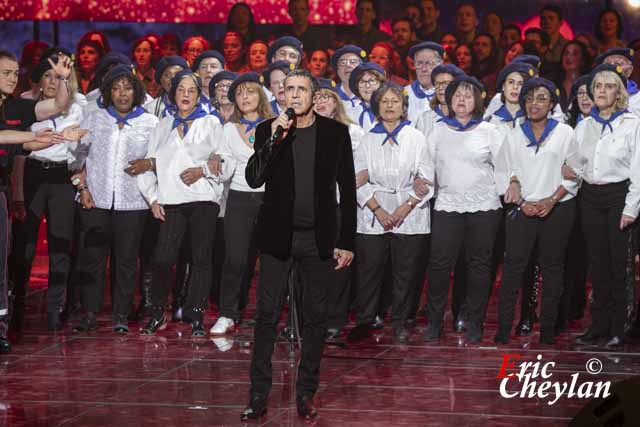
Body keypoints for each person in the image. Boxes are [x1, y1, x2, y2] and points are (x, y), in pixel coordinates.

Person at [241, 69, 356, 421]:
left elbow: (347, 191)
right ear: (280, 95)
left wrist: (346, 241)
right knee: (266, 317)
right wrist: (275, 137)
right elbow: (253, 177)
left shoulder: (336, 134)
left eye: (301, 89)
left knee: (315, 319)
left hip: (317, 239)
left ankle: (306, 392)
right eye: (288, 89)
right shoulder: (268, 129)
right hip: (278, 238)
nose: (294, 95)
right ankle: (258, 395)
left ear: (314, 95)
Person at [70, 65, 157, 333]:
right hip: (95, 199)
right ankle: (90, 313)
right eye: (116, 88)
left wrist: (149, 162)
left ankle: (121, 314)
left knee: (127, 259)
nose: (122, 93)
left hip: (133, 202)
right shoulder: (95, 118)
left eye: (127, 87)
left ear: (136, 91)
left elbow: (162, 159)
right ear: (108, 92)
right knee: (93, 257)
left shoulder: (150, 122)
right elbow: (76, 156)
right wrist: (82, 188)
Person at [137, 70, 223, 336]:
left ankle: (196, 313)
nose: (186, 95)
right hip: (171, 200)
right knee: (163, 258)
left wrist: (202, 171)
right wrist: (152, 198)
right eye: (181, 89)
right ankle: (157, 312)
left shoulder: (211, 123)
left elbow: (221, 163)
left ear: (199, 96)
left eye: (192, 91)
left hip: (202, 200)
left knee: (200, 259)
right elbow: (147, 164)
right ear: (173, 92)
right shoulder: (162, 125)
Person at [494, 77, 578, 345]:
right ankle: (504, 328)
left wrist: (552, 200)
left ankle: (549, 330)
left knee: (553, 269)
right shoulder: (514, 134)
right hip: (523, 210)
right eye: (529, 98)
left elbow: (575, 174)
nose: (534, 103)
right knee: (512, 269)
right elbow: (503, 171)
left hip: (557, 209)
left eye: (541, 98)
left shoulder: (565, 133)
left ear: (552, 103)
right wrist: (520, 200)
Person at [8, 52, 88, 333]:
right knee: (24, 246)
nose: (53, 81)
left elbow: (84, 147)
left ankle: (55, 309)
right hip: (31, 175)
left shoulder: (79, 104)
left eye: (59, 76)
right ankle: (15, 307)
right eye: (48, 76)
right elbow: (17, 153)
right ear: (39, 80)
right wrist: (17, 193)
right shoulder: (25, 105)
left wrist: (81, 178)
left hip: (62, 177)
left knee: (60, 246)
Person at [348, 82, 431, 344]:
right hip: (374, 210)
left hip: (409, 210)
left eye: (395, 101)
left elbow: (426, 178)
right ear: (377, 107)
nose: (390, 105)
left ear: (404, 106)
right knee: (370, 268)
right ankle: (365, 318)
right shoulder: (367, 138)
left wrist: (405, 206)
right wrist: (379, 210)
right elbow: (357, 180)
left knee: (405, 270)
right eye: (384, 101)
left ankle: (402, 319)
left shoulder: (416, 137)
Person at [564, 64, 640, 350]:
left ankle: (619, 327)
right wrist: (573, 171)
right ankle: (598, 326)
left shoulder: (632, 124)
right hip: (591, 197)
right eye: (598, 87)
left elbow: (638, 170)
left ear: (618, 92)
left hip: (620, 196)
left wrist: (631, 208)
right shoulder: (585, 126)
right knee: (597, 264)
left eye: (609, 87)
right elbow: (577, 163)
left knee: (619, 265)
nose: (602, 91)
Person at [423, 75, 503, 343]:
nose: (461, 99)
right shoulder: (437, 131)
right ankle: (434, 323)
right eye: (457, 94)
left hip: (484, 205)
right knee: (439, 265)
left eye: (468, 95)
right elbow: (426, 168)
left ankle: (474, 322)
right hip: (448, 204)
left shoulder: (490, 131)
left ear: (478, 101)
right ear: (448, 99)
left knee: (479, 266)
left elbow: (504, 169)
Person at [207, 72, 273, 334]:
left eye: (251, 92)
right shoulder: (228, 128)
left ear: (261, 96)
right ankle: (228, 313)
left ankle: (266, 313)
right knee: (235, 259)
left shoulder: (274, 124)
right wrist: (217, 163)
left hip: (270, 199)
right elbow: (224, 171)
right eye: (240, 93)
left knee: (269, 260)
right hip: (238, 197)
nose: (245, 97)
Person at [313, 77, 364, 337]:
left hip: (339, 204)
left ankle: (335, 317)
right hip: (309, 205)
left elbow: (361, 170)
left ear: (336, 102)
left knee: (338, 260)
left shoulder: (352, 132)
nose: (321, 102)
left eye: (326, 97)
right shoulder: (301, 129)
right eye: (316, 96)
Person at [405, 41, 443, 124]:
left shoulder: (449, 94)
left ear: (440, 65)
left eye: (429, 63)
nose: (424, 69)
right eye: (419, 63)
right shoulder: (404, 94)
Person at [595, 48, 640, 116]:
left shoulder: (638, 99)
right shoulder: (594, 96)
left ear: (629, 71)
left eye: (618, 64)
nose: (612, 68)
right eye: (607, 64)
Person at [331, 45, 368, 124]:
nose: (348, 65)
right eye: (343, 62)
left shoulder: (372, 97)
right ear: (337, 70)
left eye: (353, 62)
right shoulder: (330, 96)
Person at [349, 62, 386, 131]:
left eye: (372, 81)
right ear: (357, 88)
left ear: (381, 84)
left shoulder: (392, 110)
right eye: (362, 82)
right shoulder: (349, 115)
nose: (367, 86)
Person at [557, 41, 591, 111]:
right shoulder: (555, 84)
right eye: (566, 53)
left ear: (583, 60)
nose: (569, 57)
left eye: (574, 54)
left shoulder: (589, 85)